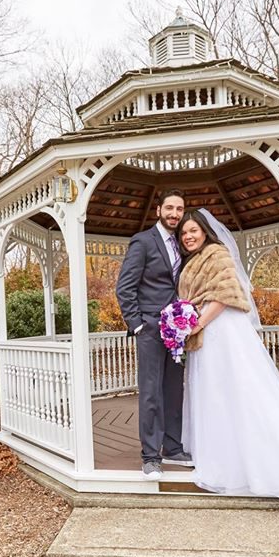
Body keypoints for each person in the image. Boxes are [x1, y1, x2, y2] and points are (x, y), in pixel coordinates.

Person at [177, 208, 279, 522]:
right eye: (184, 232)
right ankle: (226, 461)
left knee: (242, 394)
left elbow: (225, 296)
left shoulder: (217, 254)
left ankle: (276, 466)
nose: (188, 236)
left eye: (193, 230)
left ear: (204, 231)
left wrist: (196, 324)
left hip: (222, 333)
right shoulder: (191, 260)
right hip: (204, 336)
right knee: (216, 398)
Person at [116, 190, 193, 479]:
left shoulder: (182, 243)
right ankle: (150, 457)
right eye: (170, 208)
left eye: (179, 209)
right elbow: (125, 286)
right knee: (151, 393)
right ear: (158, 210)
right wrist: (137, 324)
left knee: (174, 391)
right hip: (149, 328)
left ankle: (172, 447)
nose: (174, 213)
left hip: (177, 329)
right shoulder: (143, 241)